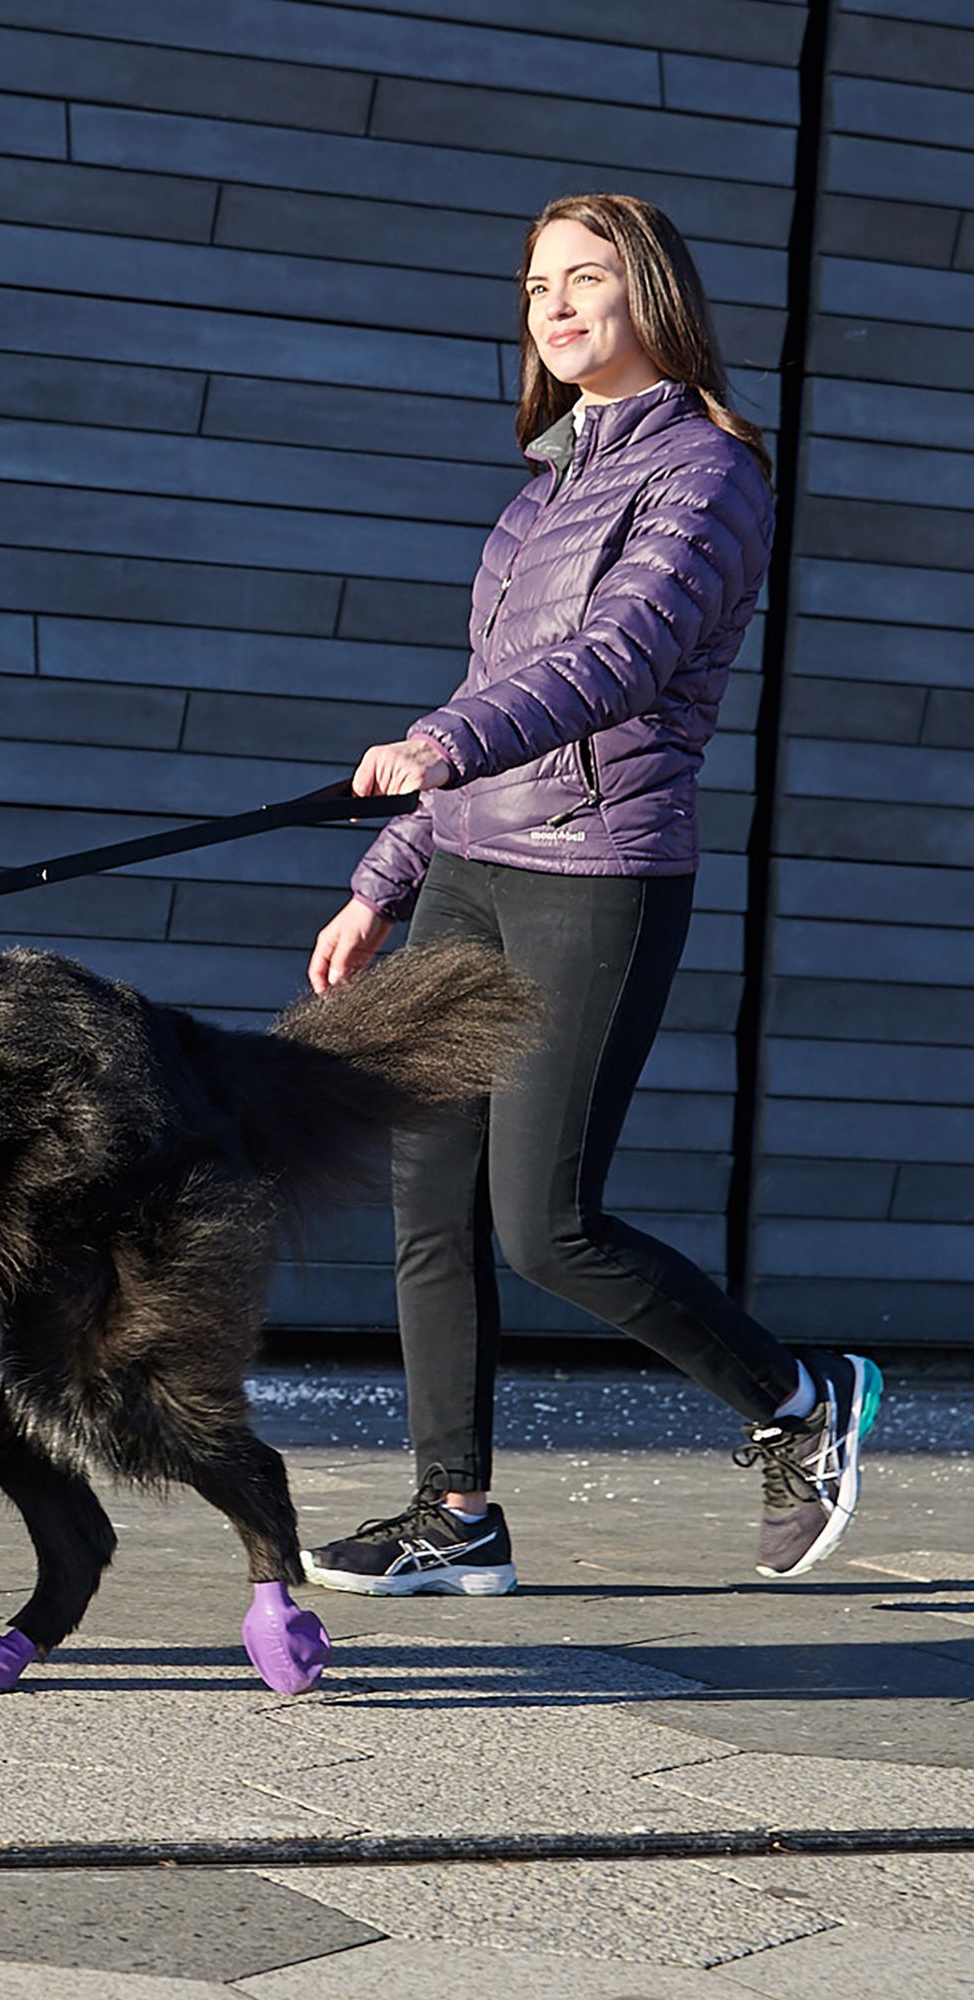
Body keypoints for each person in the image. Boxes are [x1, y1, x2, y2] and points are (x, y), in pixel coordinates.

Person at [301, 192, 881, 1596]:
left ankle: (801, 1401)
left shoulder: (710, 471)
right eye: (534, 287)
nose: (553, 308)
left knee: (544, 1224)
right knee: (426, 1197)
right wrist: (385, 877)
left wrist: (443, 746)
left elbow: (619, 659)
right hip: (474, 868)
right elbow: (484, 692)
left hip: (597, 873)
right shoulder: (541, 493)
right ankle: (458, 1512)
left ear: (655, 295)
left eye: (586, 279)